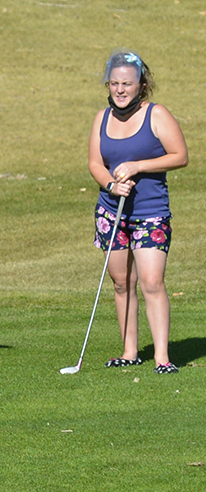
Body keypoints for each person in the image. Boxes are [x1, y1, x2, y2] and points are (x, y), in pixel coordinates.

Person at [88, 48, 187, 374]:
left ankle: (162, 357)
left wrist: (138, 166)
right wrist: (110, 185)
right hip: (112, 212)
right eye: (114, 83)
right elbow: (95, 163)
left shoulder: (156, 115)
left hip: (150, 213)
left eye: (127, 84)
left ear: (141, 85)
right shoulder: (102, 118)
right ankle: (129, 351)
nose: (120, 90)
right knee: (121, 282)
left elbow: (179, 156)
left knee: (152, 282)